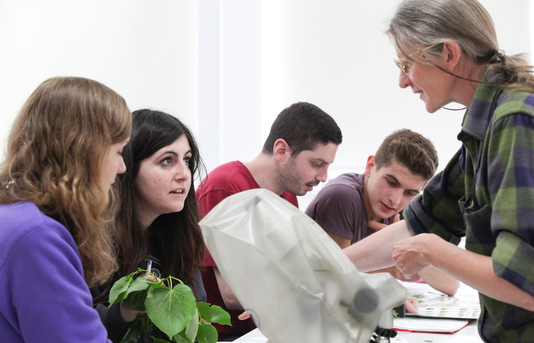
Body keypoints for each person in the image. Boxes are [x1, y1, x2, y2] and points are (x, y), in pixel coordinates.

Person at [344, 0, 534, 341]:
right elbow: (423, 220)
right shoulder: (485, 126)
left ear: (448, 53)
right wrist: (321, 270)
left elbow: (525, 281)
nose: (403, 81)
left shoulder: (515, 121)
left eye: (406, 63)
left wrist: (434, 251)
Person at [196, 101, 343, 340]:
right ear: (282, 150)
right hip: (225, 336)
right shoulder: (225, 187)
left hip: (266, 329)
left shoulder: (287, 194)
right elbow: (232, 293)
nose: (324, 177)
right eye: (317, 164)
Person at [0, 76, 131, 342]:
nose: (122, 168)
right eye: (118, 152)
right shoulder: (37, 237)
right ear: (85, 152)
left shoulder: (13, 215)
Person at [94, 109, 206, 342]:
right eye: (167, 161)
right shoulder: (90, 240)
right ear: (127, 167)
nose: (184, 174)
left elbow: (194, 311)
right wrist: (123, 313)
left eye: (186, 160)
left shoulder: (179, 234)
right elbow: (71, 329)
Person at [306, 129, 459, 298]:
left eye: (410, 193)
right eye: (391, 182)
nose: (395, 200)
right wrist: (395, 268)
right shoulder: (341, 197)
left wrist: (408, 245)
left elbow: (450, 285)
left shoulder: (404, 210)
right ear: (370, 166)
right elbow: (334, 278)